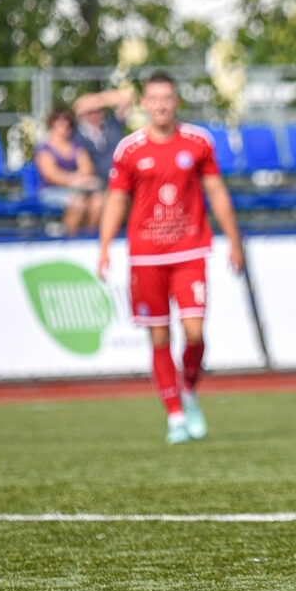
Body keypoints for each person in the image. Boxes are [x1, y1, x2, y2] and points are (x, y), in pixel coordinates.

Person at [98, 71, 244, 445]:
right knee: (160, 336)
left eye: (167, 98)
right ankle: (175, 415)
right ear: (145, 104)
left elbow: (217, 191)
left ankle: (188, 389)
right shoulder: (129, 149)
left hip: (189, 250)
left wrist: (234, 240)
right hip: (147, 256)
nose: (161, 105)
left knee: (194, 333)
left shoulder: (198, 141)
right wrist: (104, 248)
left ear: (176, 101)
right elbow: (116, 199)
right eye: (154, 98)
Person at [34, 107, 104, 236]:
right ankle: (71, 239)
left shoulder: (76, 146)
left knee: (98, 202)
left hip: (79, 189)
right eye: (59, 125)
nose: (63, 129)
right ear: (52, 125)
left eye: (66, 126)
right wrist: (75, 180)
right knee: (78, 203)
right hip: (51, 190)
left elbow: (88, 169)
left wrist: (77, 180)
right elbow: (51, 175)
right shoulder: (44, 148)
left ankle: (89, 238)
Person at [74, 86, 134, 182]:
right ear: (84, 114)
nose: (95, 114)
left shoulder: (113, 124)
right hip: (98, 183)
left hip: (123, 178)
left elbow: (127, 97)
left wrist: (98, 100)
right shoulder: (78, 134)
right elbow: (78, 106)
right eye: (91, 112)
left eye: (98, 109)